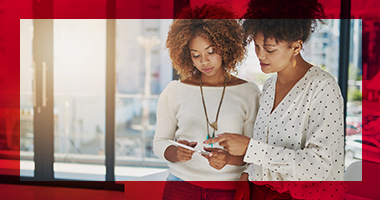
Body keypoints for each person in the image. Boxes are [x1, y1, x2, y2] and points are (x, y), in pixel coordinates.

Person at [204, 0, 346, 199]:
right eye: (257, 46)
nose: (260, 55)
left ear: (296, 47)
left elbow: (318, 167)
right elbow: (265, 145)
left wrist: (249, 147)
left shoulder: (322, 87)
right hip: (260, 191)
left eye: (270, 49)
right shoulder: (269, 86)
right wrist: (246, 176)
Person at [152, 3, 261, 200]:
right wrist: (174, 152)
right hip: (180, 187)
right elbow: (159, 142)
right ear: (187, 55)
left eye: (211, 51)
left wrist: (228, 159)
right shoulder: (175, 91)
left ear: (226, 46)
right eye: (196, 55)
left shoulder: (248, 92)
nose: (204, 62)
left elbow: (253, 149)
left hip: (228, 191)